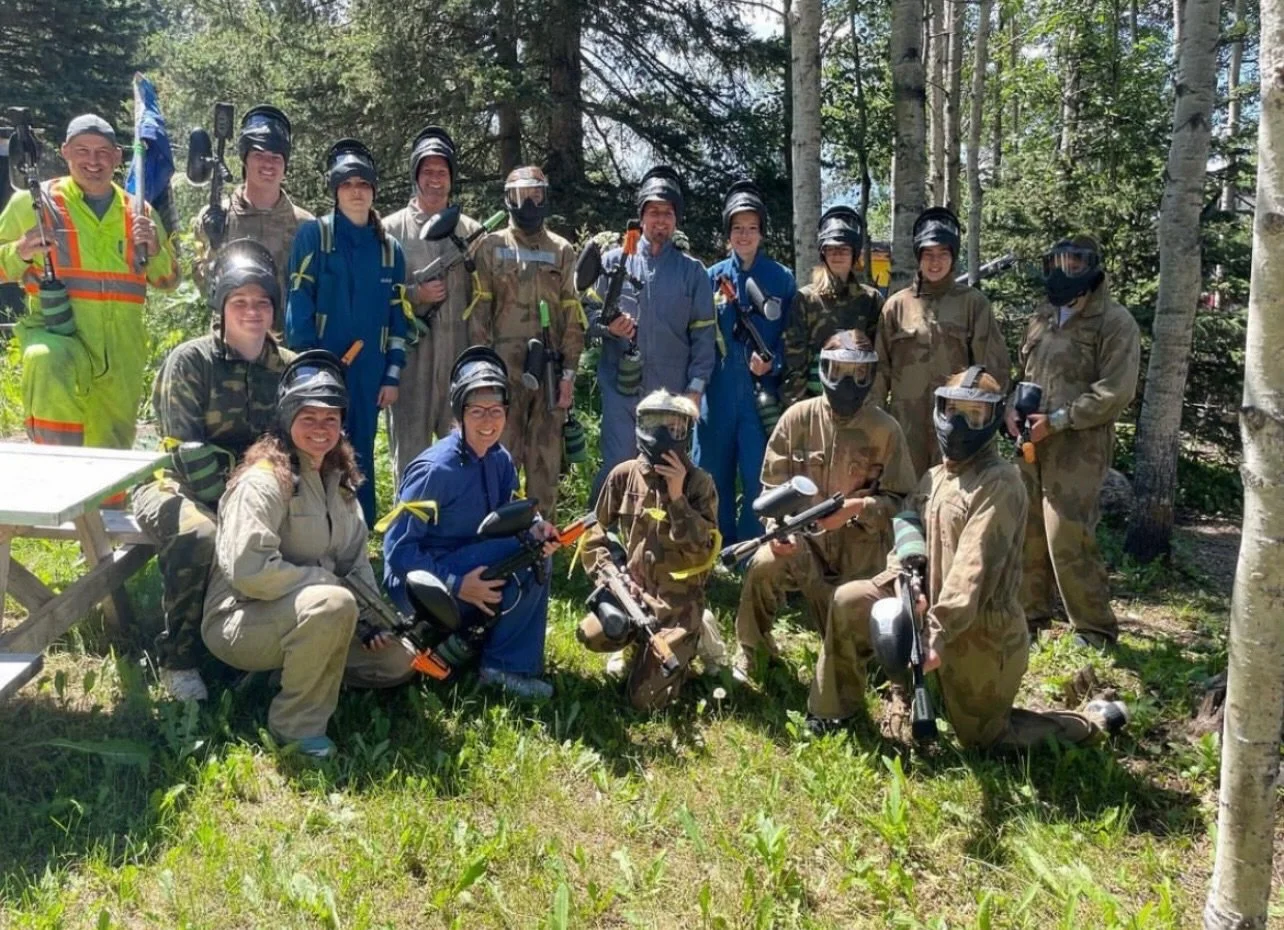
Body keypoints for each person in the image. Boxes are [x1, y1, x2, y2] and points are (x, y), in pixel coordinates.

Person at [811, 367, 1129, 746]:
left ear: (992, 418)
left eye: (973, 414)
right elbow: (907, 528)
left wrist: (936, 633)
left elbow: (972, 570)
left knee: (986, 739)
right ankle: (833, 712)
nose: (959, 423)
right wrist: (903, 582)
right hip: (929, 615)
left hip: (980, 633)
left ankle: (1088, 723)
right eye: (952, 410)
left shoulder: (1000, 482)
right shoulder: (933, 478)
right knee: (850, 600)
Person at [202, 350, 416, 759]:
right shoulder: (264, 481)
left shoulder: (339, 480)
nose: (321, 428)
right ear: (287, 418)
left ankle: (292, 671)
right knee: (332, 604)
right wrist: (323, 584)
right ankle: (296, 729)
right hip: (239, 619)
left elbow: (354, 563)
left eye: (330, 419)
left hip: (313, 611)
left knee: (397, 661)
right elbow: (249, 571)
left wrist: (374, 624)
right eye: (309, 418)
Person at [134, 240, 295, 702]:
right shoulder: (191, 361)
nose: (252, 312)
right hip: (175, 484)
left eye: (262, 302)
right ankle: (178, 658)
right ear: (221, 305)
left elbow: (294, 445)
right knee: (200, 537)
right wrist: (236, 507)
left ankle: (261, 644)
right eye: (239, 302)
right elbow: (182, 449)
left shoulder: (286, 368)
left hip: (257, 489)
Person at [732, 330, 916, 681]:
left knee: (867, 665)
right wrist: (777, 530)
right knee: (764, 561)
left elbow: (903, 504)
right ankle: (752, 653)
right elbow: (773, 485)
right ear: (823, 371)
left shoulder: (885, 430)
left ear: (870, 376)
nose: (847, 382)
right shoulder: (797, 419)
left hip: (860, 561)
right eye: (838, 371)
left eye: (857, 374)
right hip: (805, 548)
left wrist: (859, 507)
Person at [382, 347, 561, 700]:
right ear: (459, 413)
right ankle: (502, 667)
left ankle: (499, 654)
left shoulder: (500, 460)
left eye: (496, 411)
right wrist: (457, 583)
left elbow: (509, 517)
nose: (487, 421)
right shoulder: (434, 470)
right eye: (476, 411)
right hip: (418, 584)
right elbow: (397, 552)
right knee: (523, 551)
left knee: (534, 549)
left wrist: (538, 527)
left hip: (465, 563)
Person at [0, 113, 178, 449]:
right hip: (59, 338)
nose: (92, 161)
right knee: (47, 360)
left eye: (102, 152)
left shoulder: (139, 211)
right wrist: (20, 251)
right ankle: (57, 489)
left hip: (121, 356)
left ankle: (107, 504)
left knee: (110, 470)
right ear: (65, 152)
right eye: (82, 150)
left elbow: (168, 280)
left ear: (117, 157)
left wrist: (155, 248)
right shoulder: (34, 203)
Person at [1009, 236, 1141, 648]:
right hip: (1032, 440)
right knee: (1028, 527)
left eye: (1076, 263)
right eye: (1058, 262)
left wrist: (1061, 420)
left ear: (1092, 268)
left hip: (1079, 445)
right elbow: (1024, 371)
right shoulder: (1043, 316)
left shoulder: (1114, 322)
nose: (1065, 271)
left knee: (1068, 532)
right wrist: (1012, 409)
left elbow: (1116, 391)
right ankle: (1031, 618)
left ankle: (1094, 629)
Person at [286, 138, 407, 526]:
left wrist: (392, 373)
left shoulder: (390, 250)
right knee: (316, 450)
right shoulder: (315, 236)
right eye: (347, 184)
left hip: (369, 372)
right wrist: (308, 367)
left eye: (364, 185)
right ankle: (313, 533)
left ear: (373, 191)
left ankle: (359, 533)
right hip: (320, 369)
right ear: (336, 190)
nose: (356, 192)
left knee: (360, 453)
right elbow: (298, 298)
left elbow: (398, 316)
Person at [577, 390, 721, 711]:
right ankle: (634, 642)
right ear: (642, 425)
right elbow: (593, 531)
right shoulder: (624, 475)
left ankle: (698, 633)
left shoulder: (699, 484)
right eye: (656, 423)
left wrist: (676, 497)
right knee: (591, 632)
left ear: (686, 432)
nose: (665, 434)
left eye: (675, 427)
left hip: (677, 605)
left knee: (643, 702)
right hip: (633, 594)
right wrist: (610, 575)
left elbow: (703, 554)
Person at [589, 165, 716, 502]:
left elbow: (704, 338)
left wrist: (695, 390)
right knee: (619, 467)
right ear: (641, 216)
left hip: (670, 396)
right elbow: (584, 316)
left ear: (676, 221)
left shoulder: (693, 273)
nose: (661, 221)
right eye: (654, 212)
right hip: (621, 388)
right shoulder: (614, 261)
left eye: (668, 214)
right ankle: (603, 541)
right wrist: (606, 325)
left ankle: (660, 547)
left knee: (665, 472)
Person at [468, 166, 584, 517]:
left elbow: (573, 317)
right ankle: (495, 536)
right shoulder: (491, 247)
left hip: (549, 373)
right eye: (521, 196)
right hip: (503, 372)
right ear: (508, 200)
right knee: (499, 455)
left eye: (536, 195)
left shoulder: (562, 250)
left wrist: (569, 376)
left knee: (545, 462)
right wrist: (482, 377)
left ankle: (540, 545)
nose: (530, 203)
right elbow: (478, 314)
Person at [871, 206, 1010, 477]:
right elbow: (879, 374)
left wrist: (982, 426)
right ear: (918, 256)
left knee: (952, 504)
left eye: (943, 254)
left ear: (953, 257)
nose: (935, 262)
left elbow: (993, 372)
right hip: (904, 429)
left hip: (959, 428)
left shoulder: (973, 304)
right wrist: (875, 424)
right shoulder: (895, 307)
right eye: (928, 254)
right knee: (904, 505)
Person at [697, 180, 796, 546]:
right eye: (737, 228)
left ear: (762, 233)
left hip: (760, 398)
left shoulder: (782, 279)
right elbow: (697, 337)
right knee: (711, 472)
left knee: (760, 472)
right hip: (717, 394)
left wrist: (775, 364)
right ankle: (713, 543)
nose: (744, 235)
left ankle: (753, 547)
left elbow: (794, 337)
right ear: (728, 233)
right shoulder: (710, 278)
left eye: (752, 228)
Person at [383, 126, 482, 482]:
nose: (435, 179)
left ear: (452, 179)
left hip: (459, 363)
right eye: (428, 171)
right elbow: (377, 294)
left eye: (442, 172)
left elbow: (485, 300)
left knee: (461, 458)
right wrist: (415, 295)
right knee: (409, 460)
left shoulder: (472, 233)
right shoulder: (390, 229)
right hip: (410, 366)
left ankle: (454, 536)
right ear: (415, 176)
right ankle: (408, 534)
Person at [193, 104, 313, 325]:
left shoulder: (306, 226)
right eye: (259, 154)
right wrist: (214, 247)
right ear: (244, 159)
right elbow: (206, 292)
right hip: (229, 344)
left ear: (285, 164)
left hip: (285, 348)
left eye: (276, 157)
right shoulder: (216, 217)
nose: (268, 163)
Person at [783, 205, 884, 404]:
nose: (837, 255)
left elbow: (879, 358)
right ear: (823, 253)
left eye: (844, 249)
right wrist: (798, 408)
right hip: (815, 401)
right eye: (831, 249)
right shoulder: (806, 299)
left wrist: (873, 404)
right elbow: (794, 360)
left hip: (860, 401)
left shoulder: (871, 300)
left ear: (854, 254)